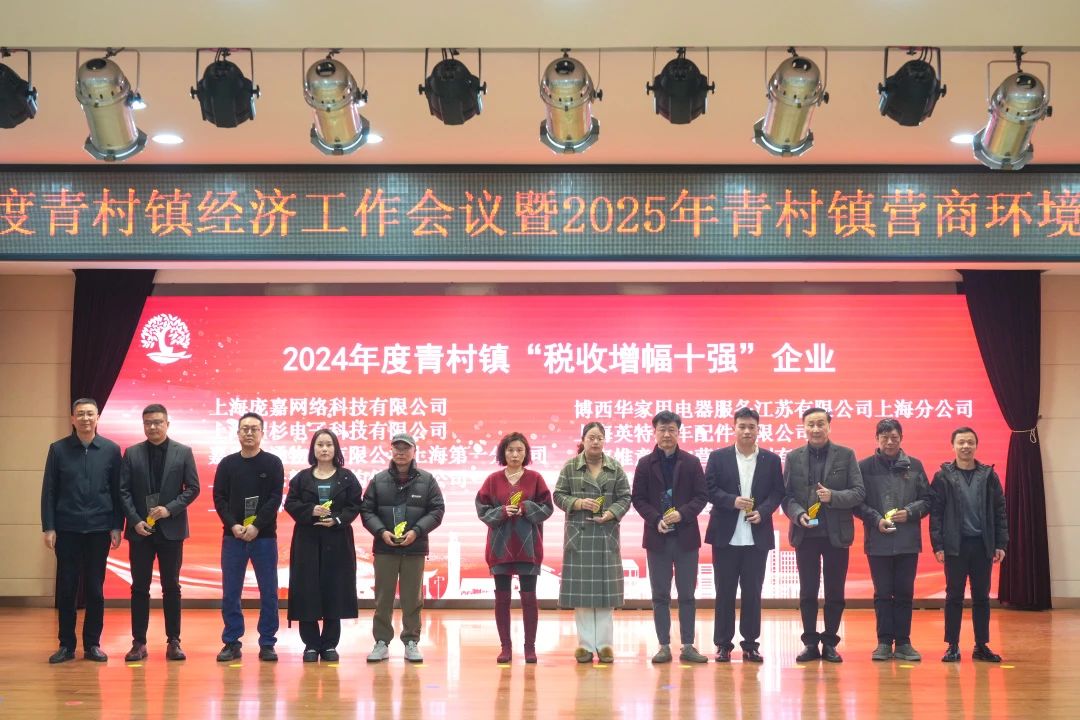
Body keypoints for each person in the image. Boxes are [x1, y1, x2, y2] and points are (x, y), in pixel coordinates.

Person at [40, 398, 123, 664]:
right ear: (72, 419)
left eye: (90, 414)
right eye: (80, 414)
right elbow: (49, 490)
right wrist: (49, 526)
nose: (85, 418)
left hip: (99, 529)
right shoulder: (58, 449)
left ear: (98, 417)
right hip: (67, 529)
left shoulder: (111, 450)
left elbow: (118, 491)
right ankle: (66, 645)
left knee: (95, 589)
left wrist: (116, 525)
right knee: (67, 588)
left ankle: (92, 644)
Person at [781, 407, 865, 663]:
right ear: (804, 427)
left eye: (820, 424)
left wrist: (833, 497)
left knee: (834, 591)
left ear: (829, 426)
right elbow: (786, 496)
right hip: (805, 534)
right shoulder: (793, 457)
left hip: (835, 534)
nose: (816, 429)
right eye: (811, 424)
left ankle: (830, 642)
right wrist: (798, 515)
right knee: (808, 591)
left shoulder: (846, 455)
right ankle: (809, 643)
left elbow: (859, 492)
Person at [118, 403, 201, 662]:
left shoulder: (183, 452)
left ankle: (173, 641)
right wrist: (134, 521)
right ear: (143, 425)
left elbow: (193, 488)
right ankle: (138, 642)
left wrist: (170, 509)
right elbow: (123, 491)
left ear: (167, 423)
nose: (153, 427)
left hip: (171, 530)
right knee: (139, 587)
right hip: (140, 531)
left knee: (171, 587)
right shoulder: (132, 453)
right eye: (148, 423)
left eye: (157, 422)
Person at [704, 407, 785, 663]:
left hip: (756, 536)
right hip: (725, 537)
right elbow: (709, 489)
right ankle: (723, 645)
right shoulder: (718, 457)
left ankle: (750, 645)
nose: (747, 431)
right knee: (724, 593)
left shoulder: (771, 460)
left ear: (758, 429)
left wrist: (763, 511)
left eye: (751, 426)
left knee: (752, 592)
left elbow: (778, 493)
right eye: (742, 426)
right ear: (734, 428)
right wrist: (732, 501)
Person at [631, 411, 709, 664]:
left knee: (687, 594)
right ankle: (663, 646)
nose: (666, 434)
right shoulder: (645, 464)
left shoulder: (691, 462)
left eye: (671, 430)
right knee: (660, 595)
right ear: (654, 432)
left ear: (678, 432)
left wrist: (682, 514)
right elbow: (638, 498)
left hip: (686, 538)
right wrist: (657, 519)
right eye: (662, 430)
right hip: (658, 538)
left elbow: (701, 496)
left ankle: (688, 645)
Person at [361, 433, 445, 663]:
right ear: (391, 450)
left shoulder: (427, 480)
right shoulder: (378, 480)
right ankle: (381, 642)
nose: (401, 452)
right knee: (383, 598)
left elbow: (437, 510)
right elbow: (366, 510)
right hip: (385, 548)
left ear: (414, 451)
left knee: (412, 598)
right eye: (396, 448)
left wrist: (416, 531)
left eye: (405, 448)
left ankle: (411, 641)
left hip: (414, 548)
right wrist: (381, 532)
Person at [553, 421, 632, 664]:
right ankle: (585, 646)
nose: (595, 442)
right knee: (583, 597)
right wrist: (577, 503)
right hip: (580, 536)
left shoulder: (614, 467)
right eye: (591, 437)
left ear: (604, 440)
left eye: (599, 437)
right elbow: (558, 495)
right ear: (583, 440)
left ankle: (605, 645)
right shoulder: (570, 466)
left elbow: (625, 497)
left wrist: (612, 513)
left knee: (606, 595)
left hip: (606, 533)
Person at [930, 426, 1008, 663]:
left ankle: (981, 645)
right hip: (955, 546)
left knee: (982, 597)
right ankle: (952, 646)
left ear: (976, 445)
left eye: (970, 442)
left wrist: (1001, 543)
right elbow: (936, 513)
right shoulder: (943, 476)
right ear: (952, 446)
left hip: (982, 545)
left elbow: (1000, 511)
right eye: (961, 442)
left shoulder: (989, 476)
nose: (965, 446)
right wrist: (938, 545)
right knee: (954, 596)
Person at [284, 429, 363, 662]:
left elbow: (355, 505)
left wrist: (337, 519)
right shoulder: (302, 478)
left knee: (334, 589)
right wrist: (310, 510)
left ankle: (329, 644)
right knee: (306, 589)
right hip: (307, 540)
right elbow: (290, 503)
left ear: (336, 448)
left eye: (329, 444)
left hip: (337, 540)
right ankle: (310, 644)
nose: (325, 449)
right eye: (320, 445)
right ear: (313, 449)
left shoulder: (347, 477)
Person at [856, 418, 931, 662]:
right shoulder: (864, 467)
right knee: (882, 593)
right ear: (876, 439)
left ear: (901, 439)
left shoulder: (915, 465)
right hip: (877, 541)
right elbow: (857, 502)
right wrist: (876, 519)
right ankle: (884, 643)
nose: (889, 442)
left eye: (894, 437)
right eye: (885, 437)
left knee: (904, 593)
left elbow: (928, 500)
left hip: (908, 541)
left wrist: (910, 512)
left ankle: (904, 643)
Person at [212, 412, 285, 662]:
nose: (249, 433)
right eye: (245, 429)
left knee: (269, 591)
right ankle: (232, 641)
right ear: (238, 433)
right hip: (233, 537)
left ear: (262, 433)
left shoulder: (273, 463)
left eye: (254, 429)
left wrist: (256, 526)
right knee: (231, 592)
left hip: (264, 537)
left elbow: (275, 498)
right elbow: (219, 498)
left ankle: (267, 642)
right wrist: (233, 525)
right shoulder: (227, 464)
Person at [475, 432, 554, 663]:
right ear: (503, 453)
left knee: (529, 598)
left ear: (526, 453)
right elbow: (482, 510)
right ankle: (506, 648)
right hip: (500, 548)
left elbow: (547, 508)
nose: (515, 454)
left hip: (529, 548)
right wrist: (502, 512)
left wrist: (526, 507)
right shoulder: (492, 480)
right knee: (502, 598)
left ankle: (530, 648)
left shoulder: (535, 478)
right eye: (510, 450)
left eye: (519, 450)